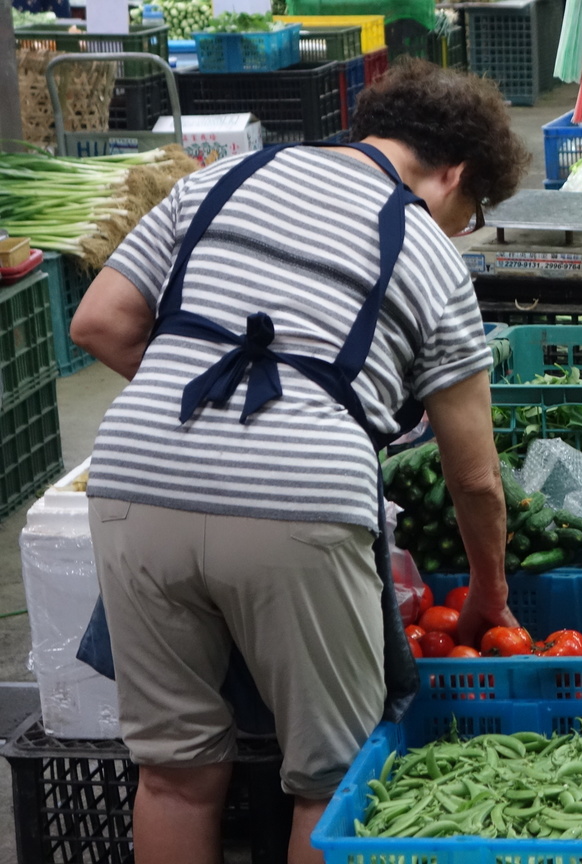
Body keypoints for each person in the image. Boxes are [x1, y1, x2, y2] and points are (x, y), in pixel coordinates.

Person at [69, 60, 530, 864]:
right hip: (301, 498)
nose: (463, 227)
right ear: (452, 173)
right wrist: (488, 593)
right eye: (473, 211)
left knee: (175, 772)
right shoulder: (428, 251)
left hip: (133, 478)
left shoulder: (221, 180)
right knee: (331, 778)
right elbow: (475, 475)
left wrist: (205, 411)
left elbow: (100, 323)